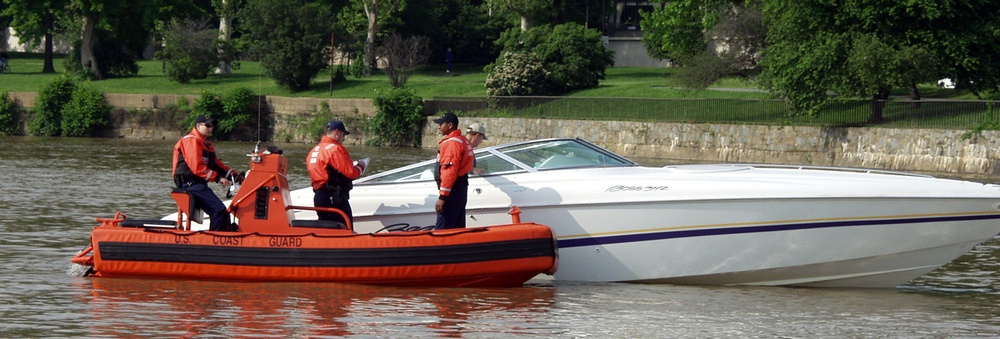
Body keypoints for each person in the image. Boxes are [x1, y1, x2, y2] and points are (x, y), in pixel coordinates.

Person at [172, 115, 235, 231]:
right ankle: (215, 241)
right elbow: (196, 167)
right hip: (189, 184)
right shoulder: (191, 140)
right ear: (198, 126)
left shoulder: (205, 144)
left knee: (224, 213)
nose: (211, 128)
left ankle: (225, 239)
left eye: (212, 126)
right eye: (208, 125)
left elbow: (216, 164)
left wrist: (233, 175)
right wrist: (218, 179)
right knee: (218, 210)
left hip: (198, 184)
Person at [307, 120, 366, 225]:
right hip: (334, 198)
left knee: (326, 231)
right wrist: (361, 166)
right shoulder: (335, 149)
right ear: (337, 132)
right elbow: (351, 173)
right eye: (343, 135)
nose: (344, 139)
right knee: (344, 230)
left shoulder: (315, 150)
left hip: (319, 197)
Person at [432, 112, 474, 229]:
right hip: (461, 187)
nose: (439, 127)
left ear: (450, 125)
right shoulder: (463, 140)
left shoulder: (452, 143)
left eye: (441, 124)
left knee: (444, 229)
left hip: (452, 191)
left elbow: (449, 171)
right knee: (457, 228)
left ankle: (441, 247)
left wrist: (442, 197)